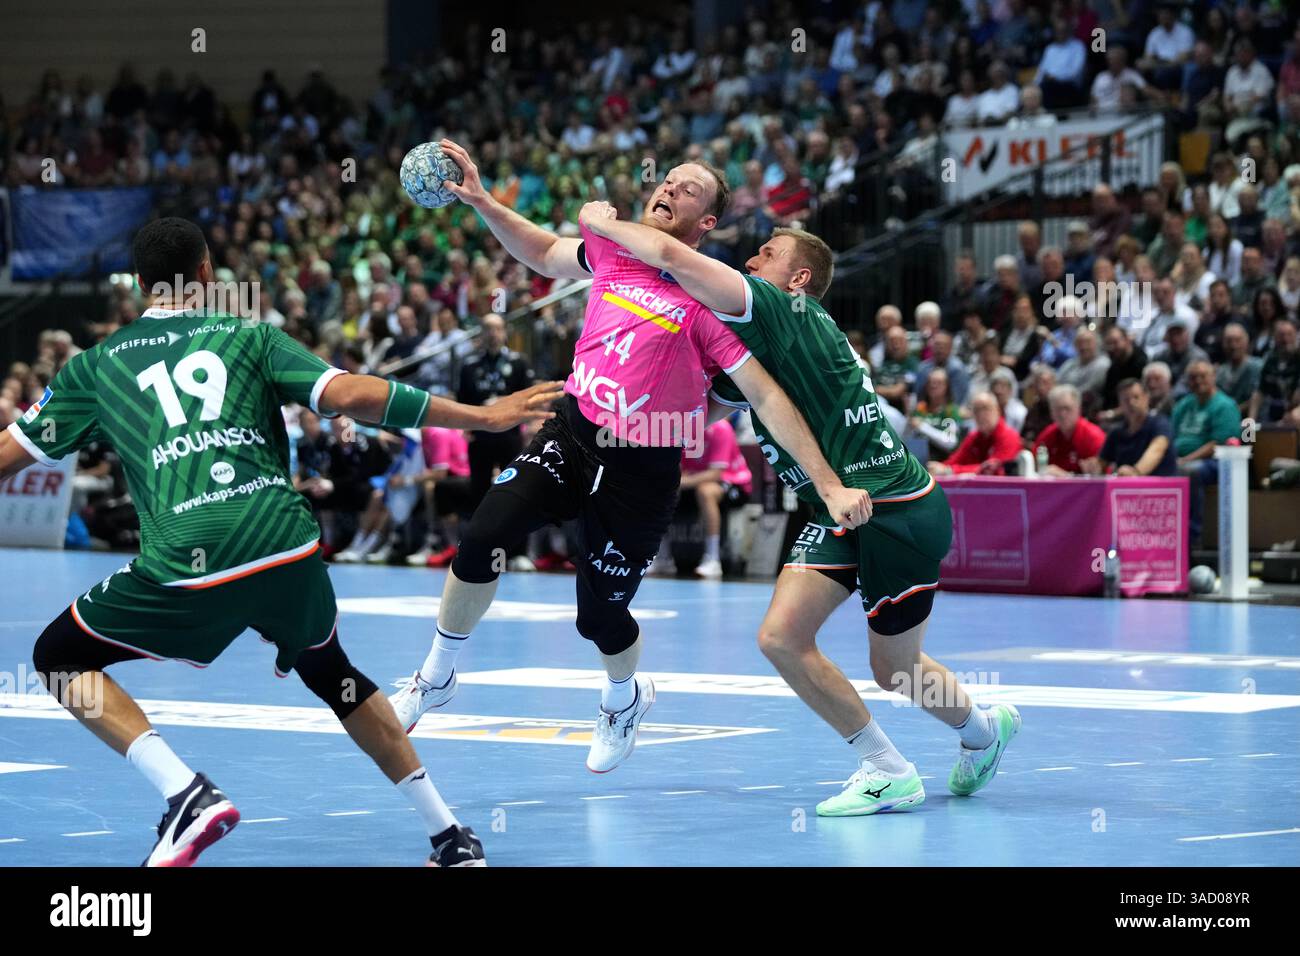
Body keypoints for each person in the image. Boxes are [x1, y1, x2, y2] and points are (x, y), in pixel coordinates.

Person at [0, 218, 564, 867]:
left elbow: (10, 456)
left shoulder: (95, 367)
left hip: (192, 553)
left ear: (138, 286)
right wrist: (482, 416)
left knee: (57, 656)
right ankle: (451, 837)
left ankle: (186, 794)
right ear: (208, 273)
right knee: (335, 675)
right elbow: (350, 393)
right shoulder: (248, 335)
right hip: (287, 543)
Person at [390, 140, 871, 774]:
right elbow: (540, 251)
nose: (668, 189)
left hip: (641, 473)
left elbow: (766, 397)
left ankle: (624, 697)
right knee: (483, 536)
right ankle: (436, 675)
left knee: (600, 617)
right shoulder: (615, 254)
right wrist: (483, 202)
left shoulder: (710, 300)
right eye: (667, 180)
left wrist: (829, 485)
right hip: (574, 432)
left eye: (688, 190)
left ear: (707, 224)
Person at [575, 211, 1018, 817]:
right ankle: (893, 765)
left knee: (894, 669)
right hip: (838, 506)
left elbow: (674, 258)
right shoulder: (762, 342)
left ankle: (981, 730)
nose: (751, 261)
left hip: (893, 506)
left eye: (766, 253)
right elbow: (695, 414)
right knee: (782, 638)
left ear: (799, 278)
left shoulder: (782, 307)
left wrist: (600, 223)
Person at [668, 417, 753, 579]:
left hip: (733, 481)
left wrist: (681, 482)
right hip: (695, 479)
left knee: (705, 492)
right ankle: (662, 557)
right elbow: (677, 467)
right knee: (664, 491)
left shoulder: (721, 428)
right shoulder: (680, 429)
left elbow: (716, 473)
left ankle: (712, 559)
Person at [1172, 361, 1242, 544]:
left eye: (1203, 376)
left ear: (1213, 377)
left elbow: (1217, 444)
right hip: (1181, 459)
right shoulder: (1184, 404)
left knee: (1190, 470)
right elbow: (1169, 435)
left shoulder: (1224, 405)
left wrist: (1184, 460)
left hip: (1216, 462)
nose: (1198, 381)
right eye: (1193, 377)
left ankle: (1192, 537)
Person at [1083, 378, 1177, 477]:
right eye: (1126, 400)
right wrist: (1093, 466)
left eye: (1136, 397)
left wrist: (1136, 471)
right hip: (1128, 489)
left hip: (1162, 488)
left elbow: (1157, 450)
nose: (1131, 403)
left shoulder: (1160, 423)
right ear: (1120, 404)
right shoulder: (1117, 432)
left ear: (1146, 397)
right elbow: (1102, 462)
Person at [929, 391, 1024, 476]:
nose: (981, 415)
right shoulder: (973, 436)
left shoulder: (1009, 436)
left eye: (986, 408)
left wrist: (949, 471)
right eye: (977, 410)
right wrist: (938, 467)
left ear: (998, 411)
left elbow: (992, 470)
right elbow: (955, 460)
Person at [1031, 384, 1106, 475]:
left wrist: (1065, 476)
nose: (1063, 414)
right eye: (1057, 409)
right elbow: (1034, 467)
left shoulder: (1093, 436)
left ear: (1078, 409)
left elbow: (1103, 476)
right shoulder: (1047, 435)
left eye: (1067, 408)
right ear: (1051, 412)